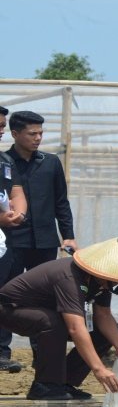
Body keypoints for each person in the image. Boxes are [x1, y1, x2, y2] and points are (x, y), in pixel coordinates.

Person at [0, 237, 118, 400]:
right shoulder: (69, 276)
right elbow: (75, 327)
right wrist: (99, 369)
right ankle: (45, 385)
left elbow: (104, 315)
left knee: (103, 333)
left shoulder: (101, 281)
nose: (116, 283)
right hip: (10, 310)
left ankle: (64, 382)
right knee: (54, 323)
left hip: (47, 312)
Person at [0, 111, 76, 370]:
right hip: (12, 241)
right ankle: (2, 352)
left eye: (41, 133)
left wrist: (68, 235)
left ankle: (41, 353)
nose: (38, 138)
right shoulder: (4, 162)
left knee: (43, 298)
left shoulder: (51, 163)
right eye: (32, 133)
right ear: (15, 134)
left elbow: (61, 203)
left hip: (44, 241)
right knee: (7, 295)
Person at [0, 107, 29, 373]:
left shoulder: (4, 162)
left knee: (4, 294)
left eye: (1, 126)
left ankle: (1, 352)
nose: (0, 131)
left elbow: (16, 191)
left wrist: (16, 213)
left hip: (3, 241)